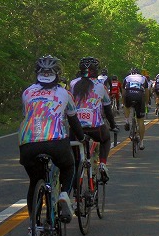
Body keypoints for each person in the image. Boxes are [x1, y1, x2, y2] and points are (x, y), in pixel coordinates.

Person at [19, 55, 85, 224]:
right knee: (69, 166)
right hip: (56, 142)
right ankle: (63, 195)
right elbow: (73, 120)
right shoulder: (65, 93)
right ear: (58, 73)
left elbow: (27, 115)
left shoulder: (27, 92)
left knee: (34, 181)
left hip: (28, 143)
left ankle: (34, 224)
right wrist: (82, 137)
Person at [70, 57, 117, 182]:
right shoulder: (101, 86)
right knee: (106, 139)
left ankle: (75, 190)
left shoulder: (73, 83)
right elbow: (107, 109)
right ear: (96, 70)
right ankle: (102, 164)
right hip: (96, 127)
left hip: (76, 127)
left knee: (75, 160)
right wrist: (113, 125)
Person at [122, 67, 148, 149]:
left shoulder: (127, 78)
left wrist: (124, 103)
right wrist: (146, 103)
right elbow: (147, 93)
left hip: (129, 94)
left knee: (126, 106)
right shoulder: (143, 78)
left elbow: (123, 93)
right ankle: (141, 142)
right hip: (139, 96)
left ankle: (126, 121)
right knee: (140, 120)